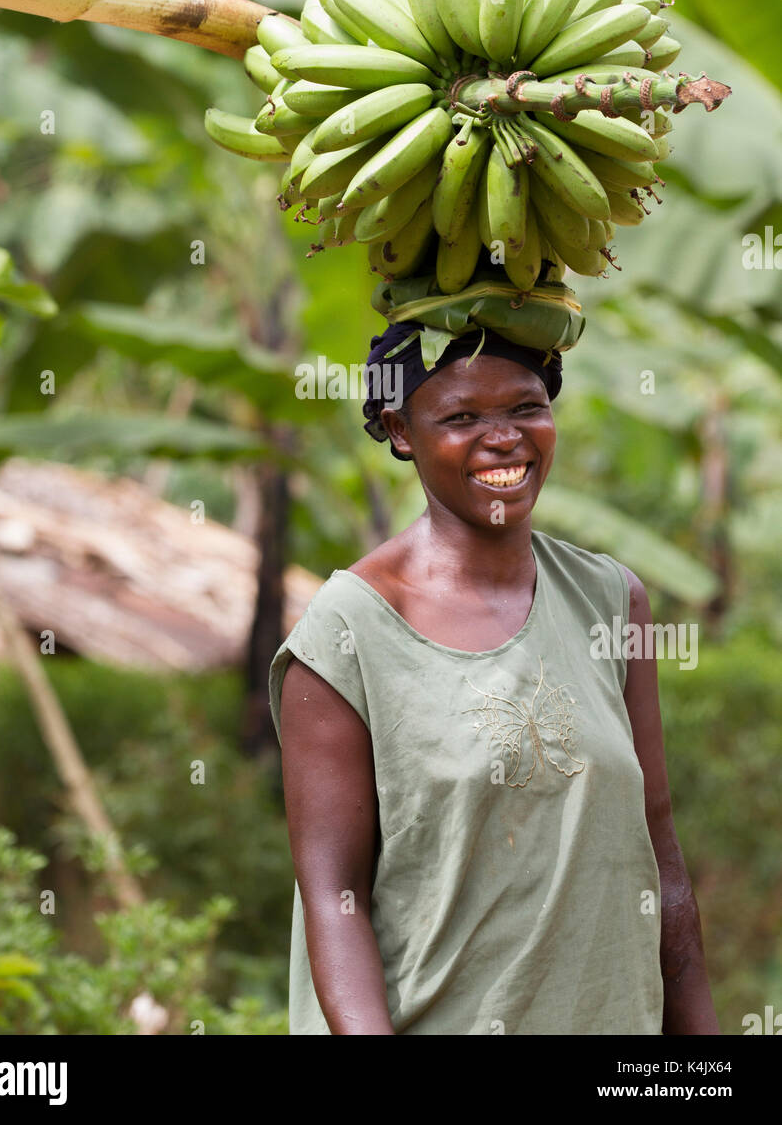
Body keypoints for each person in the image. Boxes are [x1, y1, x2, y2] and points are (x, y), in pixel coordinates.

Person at [268, 318, 719, 1036]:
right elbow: (334, 897)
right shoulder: (349, 630)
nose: (503, 436)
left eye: (526, 407)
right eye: (462, 416)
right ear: (401, 429)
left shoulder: (610, 599)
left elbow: (658, 851)